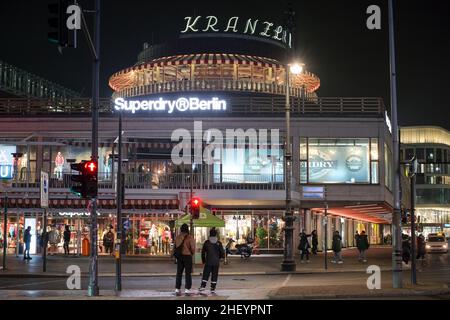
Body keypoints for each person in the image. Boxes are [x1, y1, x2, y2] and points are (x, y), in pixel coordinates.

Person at [199, 229, 225, 293]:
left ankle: (203, 286)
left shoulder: (207, 242)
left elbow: (203, 252)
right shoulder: (219, 243)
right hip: (216, 262)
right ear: (216, 234)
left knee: (206, 274)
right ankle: (213, 287)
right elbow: (222, 253)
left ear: (209, 234)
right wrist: (220, 258)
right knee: (215, 274)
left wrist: (203, 260)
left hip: (208, 261)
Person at [173, 223, 195, 295]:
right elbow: (193, 248)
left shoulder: (177, 237)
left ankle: (177, 289)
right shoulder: (190, 237)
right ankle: (187, 289)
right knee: (188, 273)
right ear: (187, 229)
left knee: (179, 273)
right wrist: (191, 253)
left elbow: (174, 247)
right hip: (187, 256)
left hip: (179, 257)